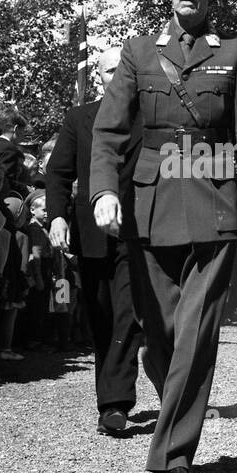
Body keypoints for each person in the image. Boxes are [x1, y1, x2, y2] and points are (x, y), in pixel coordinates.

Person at [90, 0, 237, 473]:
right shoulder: (140, 52)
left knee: (196, 331)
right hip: (149, 205)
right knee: (162, 334)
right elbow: (109, 131)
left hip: (215, 206)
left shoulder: (236, 53)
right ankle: (177, 424)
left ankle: (175, 455)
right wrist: (101, 193)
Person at [46, 47, 153, 435]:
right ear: (99, 78)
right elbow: (57, 172)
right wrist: (57, 217)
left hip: (139, 231)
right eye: (109, 72)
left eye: (122, 72)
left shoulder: (151, 117)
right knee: (102, 316)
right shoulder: (80, 118)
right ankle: (112, 395)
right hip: (92, 234)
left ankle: (115, 404)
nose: (116, 78)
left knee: (128, 314)